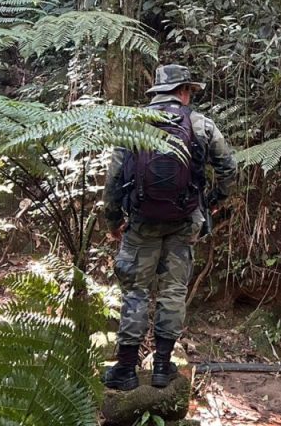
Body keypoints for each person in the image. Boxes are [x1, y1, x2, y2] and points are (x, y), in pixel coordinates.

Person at [101, 64, 237, 391]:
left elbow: (115, 179)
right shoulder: (201, 124)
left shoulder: (134, 123)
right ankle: (163, 367)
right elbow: (229, 169)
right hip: (184, 221)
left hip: (142, 221)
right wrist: (212, 201)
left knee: (135, 291)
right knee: (173, 290)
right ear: (184, 91)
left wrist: (113, 220)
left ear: (159, 92)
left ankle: (126, 369)